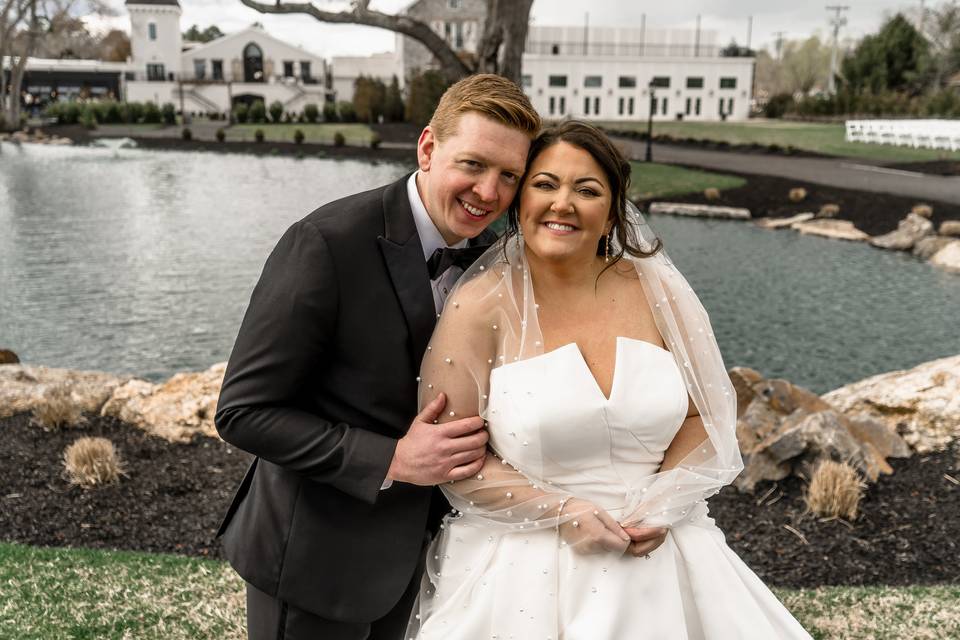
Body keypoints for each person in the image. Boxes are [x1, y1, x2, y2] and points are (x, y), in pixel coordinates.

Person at [408, 120, 813, 639]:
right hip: (522, 569)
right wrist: (562, 513)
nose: (563, 204)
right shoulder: (476, 305)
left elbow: (705, 415)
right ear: (518, 200)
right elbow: (454, 461)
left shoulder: (657, 289)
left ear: (612, 211)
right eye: (545, 184)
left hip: (663, 545)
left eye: (587, 190)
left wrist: (664, 503)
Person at [214, 74, 547, 640]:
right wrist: (391, 459)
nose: (489, 193)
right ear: (427, 148)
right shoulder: (325, 243)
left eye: (508, 176)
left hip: (433, 559)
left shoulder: (501, 259)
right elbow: (243, 412)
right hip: (316, 563)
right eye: (472, 164)